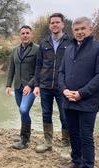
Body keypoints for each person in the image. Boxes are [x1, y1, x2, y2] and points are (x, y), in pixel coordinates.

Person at [59, 17, 99, 168]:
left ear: (90, 29)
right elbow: (61, 72)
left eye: (83, 29)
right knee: (73, 133)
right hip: (68, 100)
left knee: (86, 136)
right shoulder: (68, 49)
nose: (80, 32)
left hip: (87, 102)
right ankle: (76, 161)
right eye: (76, 29)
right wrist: (64, 90)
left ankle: (87, 165)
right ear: (73, 32)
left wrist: (81, 93)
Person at [33, 13, 71, 156]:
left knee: (65, 115)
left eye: (57, 22)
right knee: (46, 114)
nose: (54, 25)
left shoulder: (70, 42)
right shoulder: (44, 43)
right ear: (49, 25)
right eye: (52, 23)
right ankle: (48, 142)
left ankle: (66, 144)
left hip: (63, 87)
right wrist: (36, 85)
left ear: (63, 24)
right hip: (45, 86)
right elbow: (38, 66)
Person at [5, 25, 38, 150]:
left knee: (24, 110)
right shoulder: (15, 50)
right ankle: (25, 135)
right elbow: (11, 69)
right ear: (20, 35)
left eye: (27, 33)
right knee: (22, 111)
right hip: (17, 87)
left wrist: (30, 85)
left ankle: (24, 139)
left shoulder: (37, 49)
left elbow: (39, 71)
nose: (25, 35)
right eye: (23, 33)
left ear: (31, 34)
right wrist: (8, 85)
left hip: (30, 88)